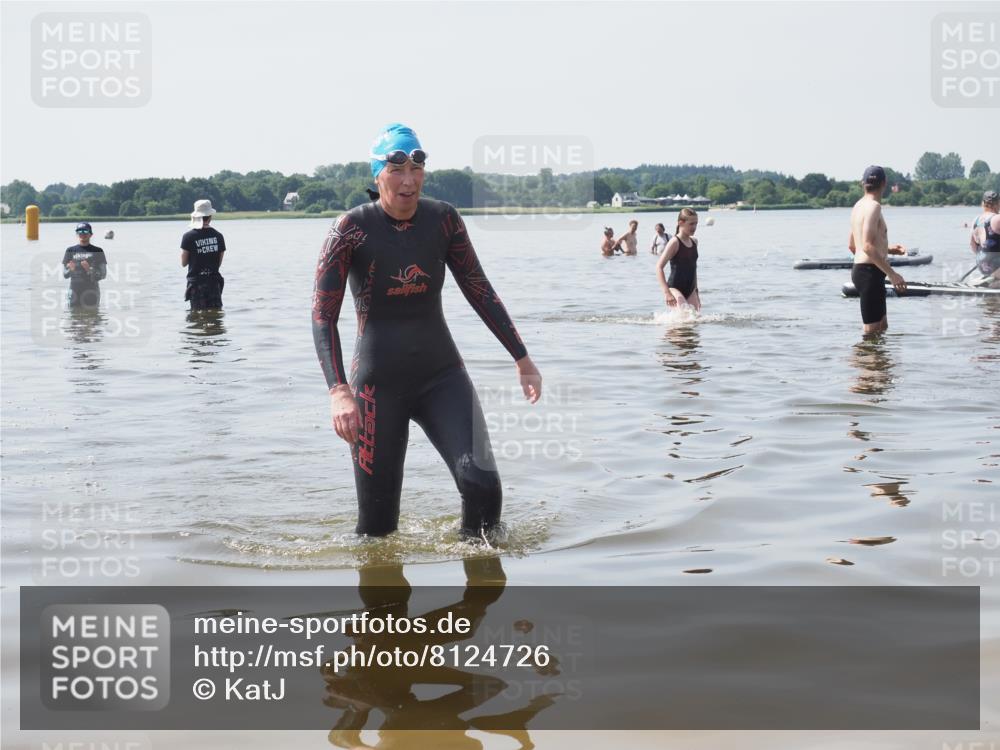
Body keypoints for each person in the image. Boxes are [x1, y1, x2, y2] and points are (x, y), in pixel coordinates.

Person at [311, 123, 542, 539]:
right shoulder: (350, 230)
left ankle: (481, 589)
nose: (408, 178)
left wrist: (521, 357)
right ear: (377, 174)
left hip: (441, 376)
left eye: (417, 166)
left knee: (483, 486)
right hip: (375, 388)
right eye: (396, 167)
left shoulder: (444, 221)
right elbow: (323, 315)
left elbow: (478, 288)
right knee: (378, 529)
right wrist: (338, 391)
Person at [848, 166, 906, 335]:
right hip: (869, 273)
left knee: (881, 327)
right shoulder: (874, 207)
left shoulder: (858, 206)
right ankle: (862, 361)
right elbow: (866, 245)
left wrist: (888, 250)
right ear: (884, 183)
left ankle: (878, 362)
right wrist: (892, 274)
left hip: (865, 271)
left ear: (863, 183)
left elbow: (853, 245)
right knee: (871, 332)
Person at [181, 199, 226, 310]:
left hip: (196, 284)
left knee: (197, 317)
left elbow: (183, 263)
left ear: (196, 216)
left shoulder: (188, 236)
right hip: (214, 283)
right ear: (210, 216)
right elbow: (218, 263)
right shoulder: (218, 236)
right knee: (215, 316)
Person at [655, 208, 701, 311]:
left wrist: (697, 292)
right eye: (691, 224)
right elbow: (659, 267)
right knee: (684, 317)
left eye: (696, 224)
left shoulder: (694, 241)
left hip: (691, 289)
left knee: (694, 321)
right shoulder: (675, 242)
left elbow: (693, 268)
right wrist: (667, 293)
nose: (694, 227)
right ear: (681, 223)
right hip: (675, 288)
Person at [61, 222, 107, 308]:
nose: (82, 233)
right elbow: (65, 275)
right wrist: (71, 270)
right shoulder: (70, 250)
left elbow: (103, 275)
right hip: (74, 291)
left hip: (91, 292)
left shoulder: (98, 251)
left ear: (91, 234)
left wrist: (90, 270)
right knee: (74, 319)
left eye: (85, 231)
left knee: (92, 319)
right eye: (80, 231)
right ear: (77, 234)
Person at [969, 190, 1000, 288]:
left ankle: (990, 279)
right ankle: (994, 279)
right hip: (996, 265)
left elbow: (973, 247)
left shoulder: (975, 220)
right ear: (997, 203)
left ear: (983, 203)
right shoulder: (997, 218)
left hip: (982, 265)